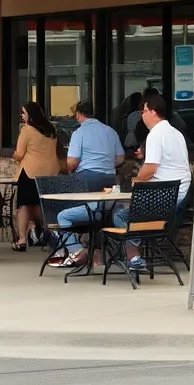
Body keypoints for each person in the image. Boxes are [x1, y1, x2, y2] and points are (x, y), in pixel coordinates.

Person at [113, 92, 192, 271]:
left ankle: (134, 258)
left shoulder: (156, 134)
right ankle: (136, 250)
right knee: (130, 210)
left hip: (161, 199)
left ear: (153, 111)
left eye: (143, 110)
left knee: (119, 215)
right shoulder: (176, 133)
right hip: (178, 198)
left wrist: (136, 180)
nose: (141, 115)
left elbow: (150, 168)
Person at [48, 101, 125, 267]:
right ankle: (100, 251)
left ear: (79, 114)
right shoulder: (110, 131)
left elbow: (72, 162)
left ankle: (77, 249)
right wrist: (106, 163)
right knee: (103, 213)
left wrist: (68, 169)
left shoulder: (79, 133)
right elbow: (120, 158)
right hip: (109, 179)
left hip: (86, 178)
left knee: (72, 212)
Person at [11, 101, 59, 252]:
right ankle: (54, 233)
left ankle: (22, 239)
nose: (22, 115)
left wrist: (14, 156)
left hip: (31, 172)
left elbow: (19, 154)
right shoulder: (52, 129)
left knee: (24, 205)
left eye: (24, 113)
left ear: (30, 115)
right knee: (43, 204)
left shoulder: (27, 130)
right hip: (51, 172)